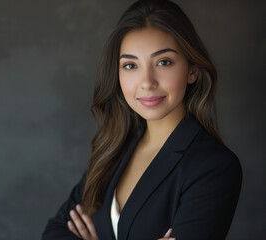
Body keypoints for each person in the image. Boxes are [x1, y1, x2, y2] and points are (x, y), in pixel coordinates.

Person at [42, 0, 242, 239]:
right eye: (130, 65)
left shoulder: (213, 167)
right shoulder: (114, 149)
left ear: (192, 71)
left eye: (163, 62)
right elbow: (54, 233)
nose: (147, 82)